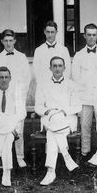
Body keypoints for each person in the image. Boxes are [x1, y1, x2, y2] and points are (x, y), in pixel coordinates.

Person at [35, 56, 81, 186]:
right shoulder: (43, 84)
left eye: (60, 66)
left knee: (52, 131)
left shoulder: (72, 84)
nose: (57, 68)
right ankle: (66, 158)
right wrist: (48, 111)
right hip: (49, 117)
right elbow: (38, 106)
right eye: (54, 66)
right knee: (54, 122)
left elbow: (77, 106)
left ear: (64, 68)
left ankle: (51, 170)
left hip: (67, 118)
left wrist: (63, 111)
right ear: (50, 68)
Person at [0, 29, 30, 168]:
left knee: (18, 126)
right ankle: (2, 157)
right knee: (2, 125)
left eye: (10, 40)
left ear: (15, 41)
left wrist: (19, 95)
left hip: (17, 97)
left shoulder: (21, 57)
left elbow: (26, 78)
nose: (8, 43)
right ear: (2, 41)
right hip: (2, 97)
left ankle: (19, 156)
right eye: (5, 40)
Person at [71, 23, 97, 161]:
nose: (91, 37)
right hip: (85, 96)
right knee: (85, 125)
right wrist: (86, 87)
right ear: (84, 36)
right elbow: (75, 76)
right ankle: (85, 153)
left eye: (94, 35)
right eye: (89, 35)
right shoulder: (79, 55)